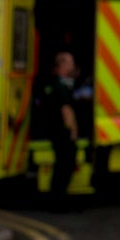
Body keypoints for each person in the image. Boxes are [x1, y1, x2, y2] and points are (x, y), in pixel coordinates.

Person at [35, 51, 80, 209]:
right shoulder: (61, 86)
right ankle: (58, 200)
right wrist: (73, 131)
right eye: (70, 62)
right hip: (62, 132)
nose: (73, 65)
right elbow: (66, 110)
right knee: (65, 165)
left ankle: (57, 199)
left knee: (61, 165)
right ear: (62, 65)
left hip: (52, 130)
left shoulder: (52, 83)